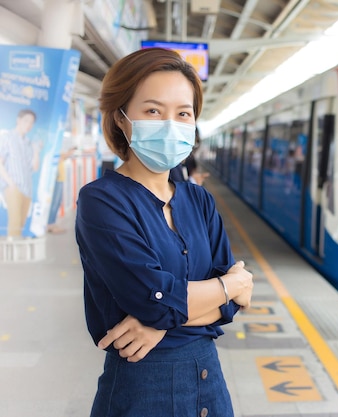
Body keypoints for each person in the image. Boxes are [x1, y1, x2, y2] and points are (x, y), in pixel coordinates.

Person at [74, 47, 254, 417]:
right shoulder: (102, 201)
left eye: (183, 113)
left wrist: (160, 322)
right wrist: (231, 285)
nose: (171, 124)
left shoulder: (199, 199)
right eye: (153, 110)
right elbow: (156, 301)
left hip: (210, 385)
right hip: (142, 390)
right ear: (122, 118)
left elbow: (230, 308)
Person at [0, 109, 40, 237]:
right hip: (13, 187)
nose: (28, 125)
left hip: (27, 189)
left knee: (20, 225)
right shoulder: (7, 138)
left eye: (31, 122)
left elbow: (34, 168)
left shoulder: (29, 144)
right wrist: (10, 183)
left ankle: (13, 253)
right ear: (19, 120)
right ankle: (10, 256)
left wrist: (36, 151)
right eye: (26, 120)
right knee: (15, 224)